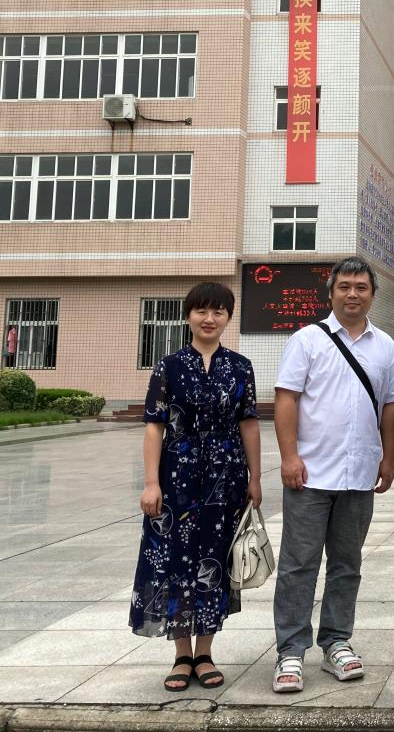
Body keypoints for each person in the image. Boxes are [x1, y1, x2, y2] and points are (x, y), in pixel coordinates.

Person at [271, 257, 394, 693]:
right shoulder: (307, 340)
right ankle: (290, 650)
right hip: (309, 474)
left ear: (372, 295)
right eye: (344, 286)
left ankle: (336, 642)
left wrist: (388, 459)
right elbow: (287, 399)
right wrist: (289, 457)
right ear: (330, 293)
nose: (352, 294)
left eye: (361, 287)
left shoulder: (385, 347)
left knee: (347, 565)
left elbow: (391, 406)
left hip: (359, 474)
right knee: (298, 565)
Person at [130, 281, 261, 692]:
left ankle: (205, 652)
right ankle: (181, 654)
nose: (210, 319)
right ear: (188, 316)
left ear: (228, 317)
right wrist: (151, 482)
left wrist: (256, 477)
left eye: (218, 312)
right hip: (176, 479)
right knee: (175, 560)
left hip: (225, 479)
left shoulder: (240, 367)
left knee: (214, 559)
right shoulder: (167, 366)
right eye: (202, 311)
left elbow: (249, 423)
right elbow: (154, 426)